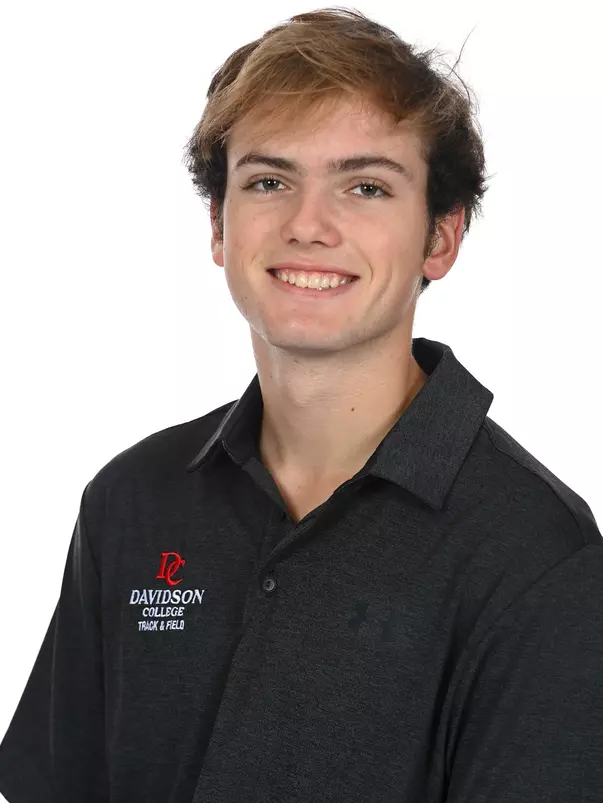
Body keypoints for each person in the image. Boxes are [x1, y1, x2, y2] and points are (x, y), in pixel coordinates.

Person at [1, 7, 602, 802]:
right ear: (219, 224)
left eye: (365, 186)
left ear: (440, 238)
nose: (308, 225)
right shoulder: (130, 501)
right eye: (269, 180)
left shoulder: (535, 554)